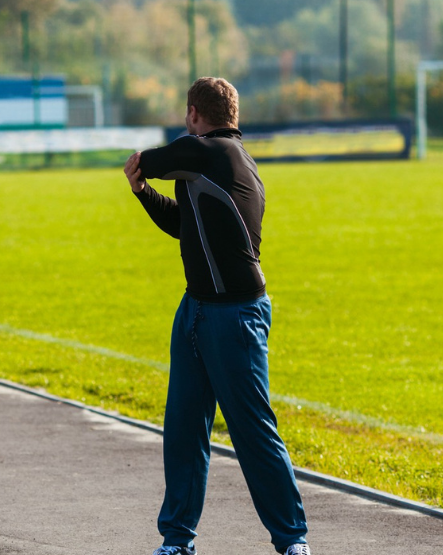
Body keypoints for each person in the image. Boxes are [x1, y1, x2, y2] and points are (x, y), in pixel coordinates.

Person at [123, 77, 310, 555]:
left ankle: (293, 540)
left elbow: (150, 160)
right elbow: (183, 226)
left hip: (235, 316)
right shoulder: (209, 163)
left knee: (253, 431)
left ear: (193, 113)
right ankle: (177, 540)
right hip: (197, 309)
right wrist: (143, 194)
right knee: (184, 431)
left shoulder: (215, 152)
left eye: (188, 116)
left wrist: (138, 172)